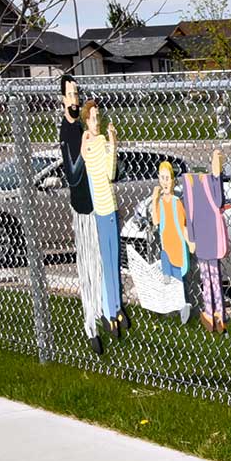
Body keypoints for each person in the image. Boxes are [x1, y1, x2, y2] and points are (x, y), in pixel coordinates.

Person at [56, 75, 106, 353]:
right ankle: (90, 325)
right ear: (63, 100)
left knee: (101, 261)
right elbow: (72, 173)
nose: (74, 100)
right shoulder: (67, 132)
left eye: (77, 94)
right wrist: (87, 153)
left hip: (98, 202)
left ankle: (104, 310)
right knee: (87, 266)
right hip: (82, 206)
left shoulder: (82, 128)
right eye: (70, 95)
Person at [79, 99, 126, 341]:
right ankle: (112, 311)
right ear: (87, 120)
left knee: (114, 259)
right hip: (100, 210)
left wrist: (112, 143)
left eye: (98, 117)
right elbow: (86, 159)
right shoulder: (88, 141)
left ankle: (116, 308)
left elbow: (111, 172)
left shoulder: (101, 142)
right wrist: (89, 139)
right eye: (93, 118)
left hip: (110, 205)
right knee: (107, 262)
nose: (97, 122)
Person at [183, 148, 231, 333]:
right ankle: (218, 314)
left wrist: (192, 238)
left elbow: (190, 213)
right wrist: (217, 176)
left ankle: (211, 313)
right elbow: (219, 202)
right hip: (211, 235)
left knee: (207, 276)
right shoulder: (210, 182)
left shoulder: (190, 183)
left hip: (202, 236)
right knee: (214, 277)